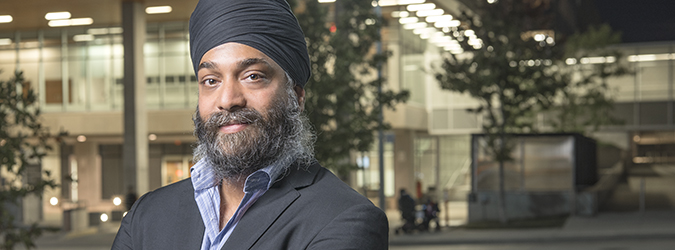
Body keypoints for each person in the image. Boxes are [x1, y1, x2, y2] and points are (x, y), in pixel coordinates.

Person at [111, 0, 388, 249]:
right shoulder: (147, 216)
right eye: (211, 80)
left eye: (253, 76)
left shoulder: (345, 219)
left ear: (296, 95)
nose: (228, 100)